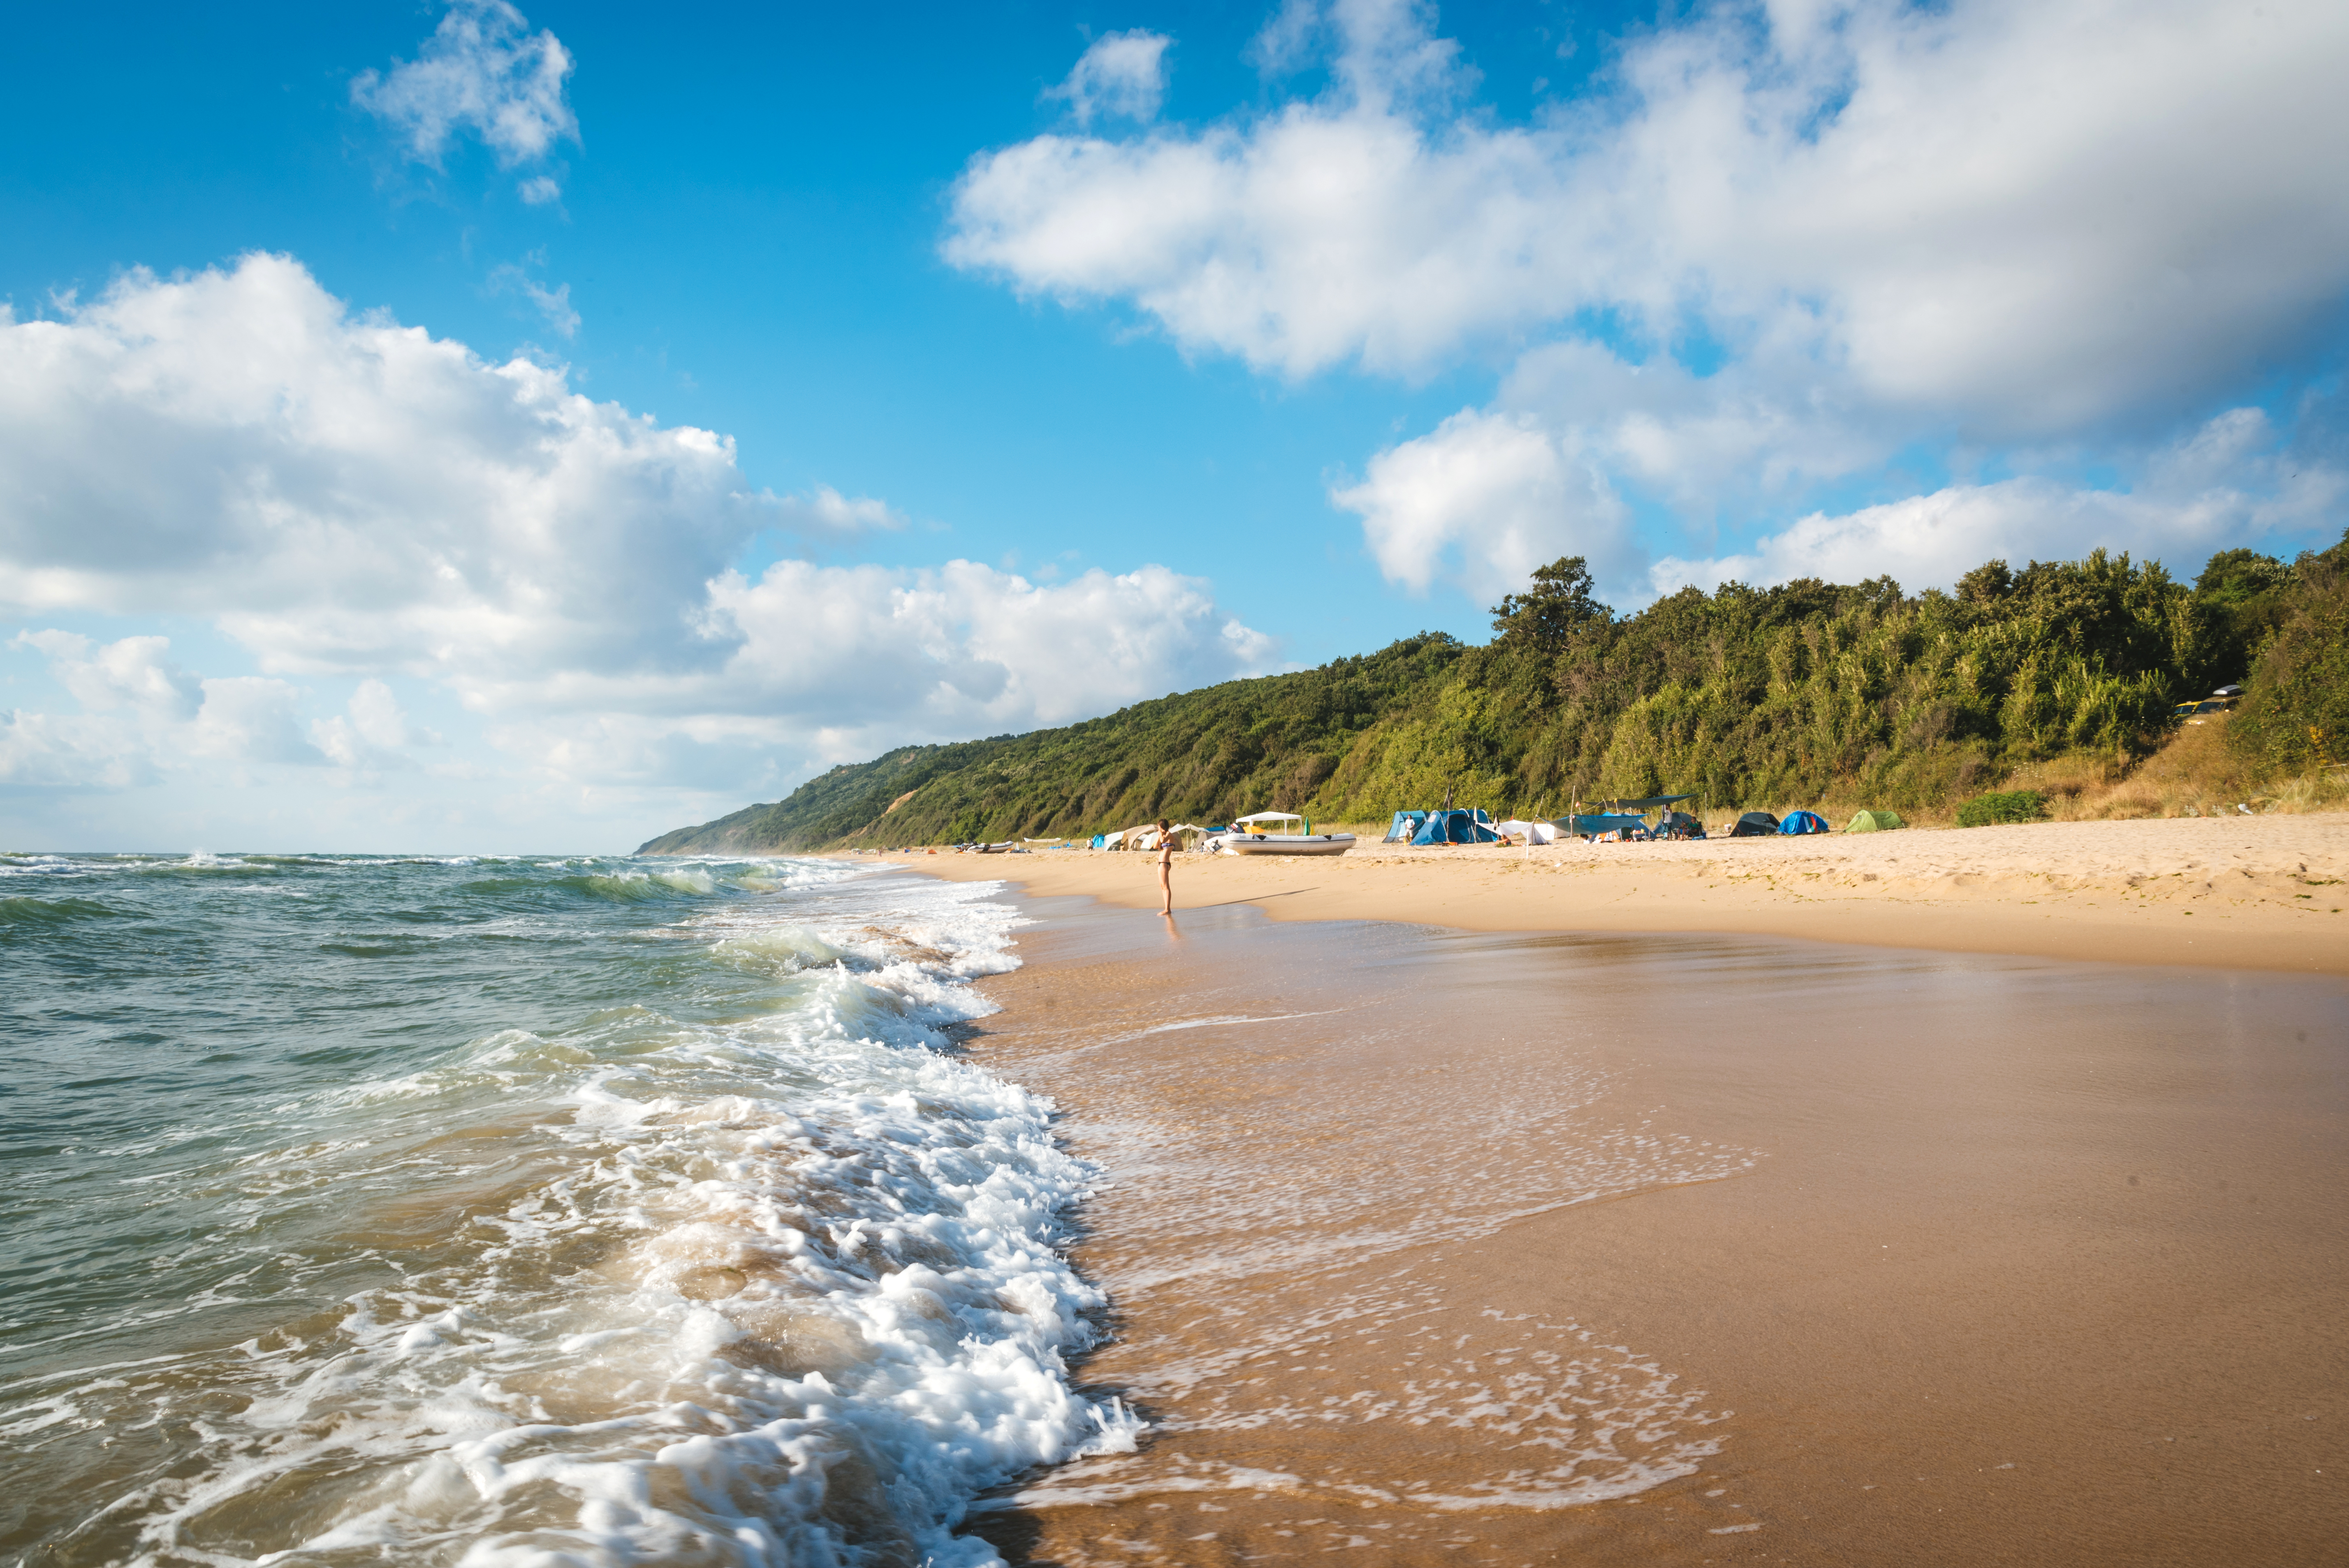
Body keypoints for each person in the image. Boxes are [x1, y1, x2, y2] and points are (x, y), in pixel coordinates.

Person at [1154, 817, 1175, 915]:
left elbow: (1163, 841)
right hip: (1161, 863)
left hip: (1165, 863)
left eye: (1159, 826)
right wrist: (1159, 835)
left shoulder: (1169, 834)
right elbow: (1155, 846)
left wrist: (1161, 834)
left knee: (1166, 886)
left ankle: (1168, 909)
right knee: (1162, 886)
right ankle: (1166, 907)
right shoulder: (1162, 835)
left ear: (1163, 827)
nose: (1158, 828)